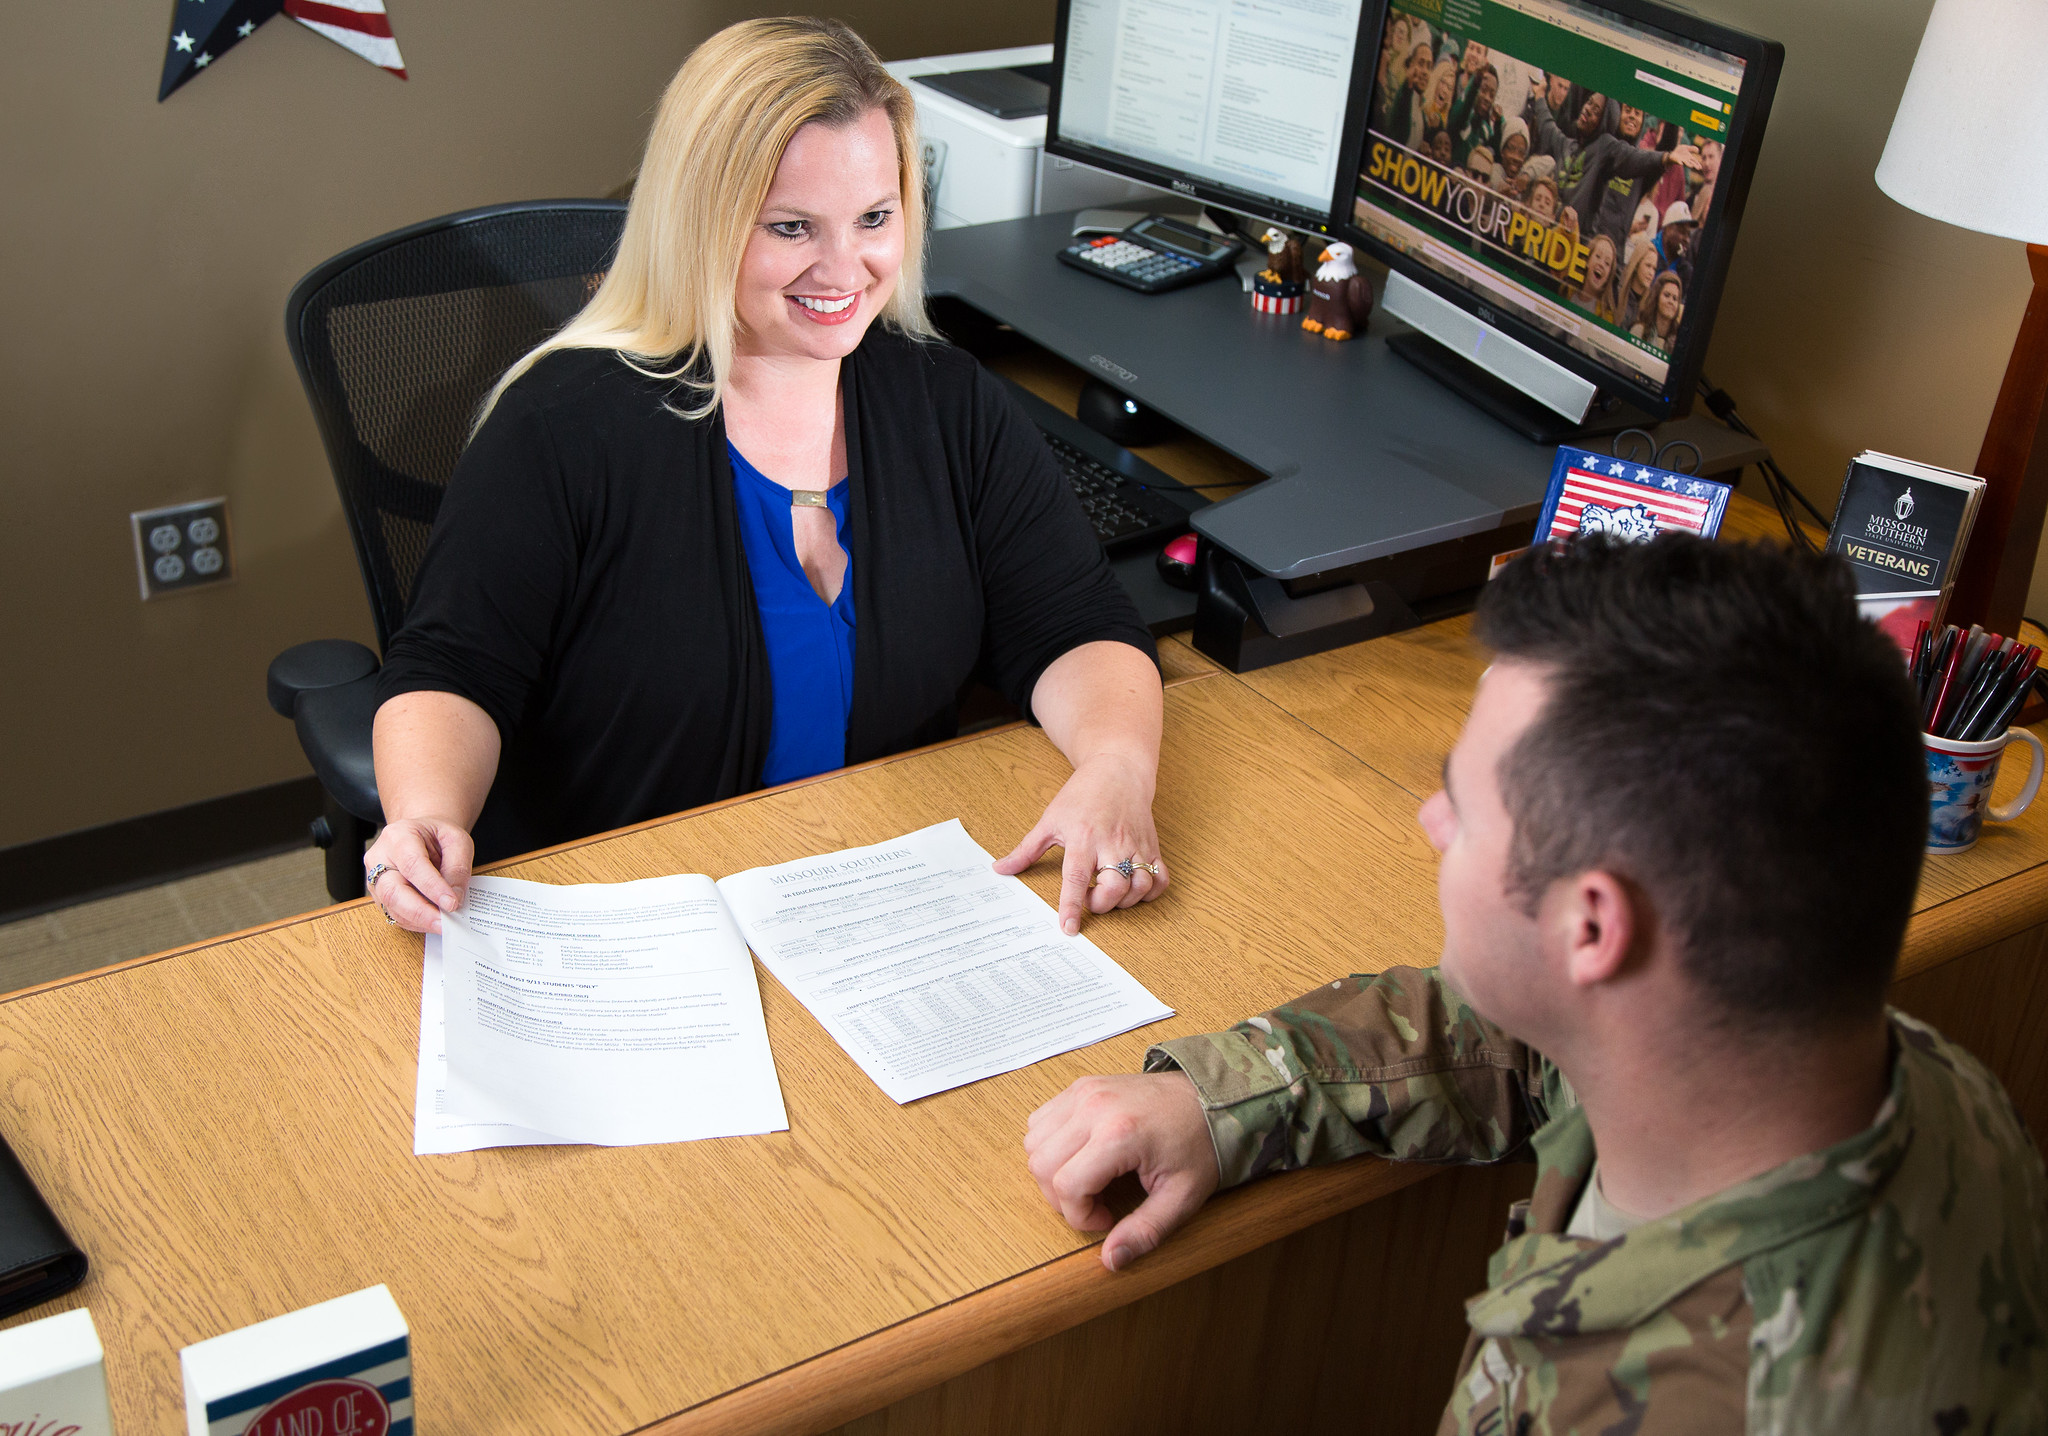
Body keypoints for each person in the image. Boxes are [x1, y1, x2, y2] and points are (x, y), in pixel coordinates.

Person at [1023, 535, 2048, 1432]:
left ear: (1592, 925)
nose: (1427, 821)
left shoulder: (1716, 1403)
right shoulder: (1850, 1066)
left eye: (1461, 804)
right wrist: (1221, 1097)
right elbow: (1522, 1039)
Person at [363, 18, 1170, 937]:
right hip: (629, 926)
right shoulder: (559, 430)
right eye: (792, 228)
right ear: (701, 222)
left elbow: (1077, 625)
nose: (844, 269)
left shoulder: (947, 405)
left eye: (874, 217)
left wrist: (1115, 767)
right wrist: (423, 814)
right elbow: (453, 669)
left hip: (869, 907)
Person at [1379, 39, 1436, 150]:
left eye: (1429, 66)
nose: (1425, 71)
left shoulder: (1422, 114)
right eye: (1421, 63)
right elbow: (1402, 106)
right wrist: (1407, 84)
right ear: (1410, 65)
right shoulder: (1403, 96)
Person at [1631, 268, 1685, 353]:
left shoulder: (1680, 342)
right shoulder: (1639, 330)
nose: (1671, 301)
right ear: (1656, 297)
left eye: (1675, 299)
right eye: (1667, 295)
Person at [1567, 232, 1619, 321]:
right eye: (1598, 256)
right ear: (1587, 260)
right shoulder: (1565, 290)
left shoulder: (1606, 317)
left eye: (1607, 263)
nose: (1601, 264)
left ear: (1609, 276)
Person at [1617, 240, 1661, 331]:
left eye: (1654, 269)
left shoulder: (1649, 306)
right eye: (1648, 266)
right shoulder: (1617, 293)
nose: (1651, 273)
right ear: (1636, 265)